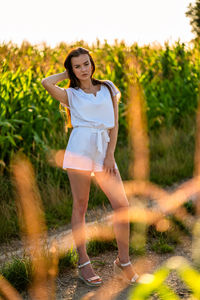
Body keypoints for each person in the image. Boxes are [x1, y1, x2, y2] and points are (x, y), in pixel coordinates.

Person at [41, 47, 139, 287]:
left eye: (86, 64)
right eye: (77, 66)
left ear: (92, 63)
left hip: (104, 150)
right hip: (80, 149)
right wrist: (67, 75)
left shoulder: (108, 87)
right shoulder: (71, 94)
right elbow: (46, 82)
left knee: (122, 205)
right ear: (71, 69)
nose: (83, 69)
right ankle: (83, 261)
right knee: (81, 205)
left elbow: (114, 124)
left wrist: (109, 156)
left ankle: (123, 262)